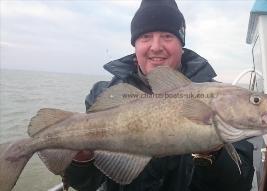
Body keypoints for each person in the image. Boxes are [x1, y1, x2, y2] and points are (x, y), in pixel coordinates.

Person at [64, 0, 254, 190]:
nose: (156, 46)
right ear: (135, 45)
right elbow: (85, 183)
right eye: (145, 36)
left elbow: (239, 184)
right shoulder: (104, 94)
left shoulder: (222, 99)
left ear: (181, 44)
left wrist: (211, 153)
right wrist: (81, 158)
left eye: (167, 36)